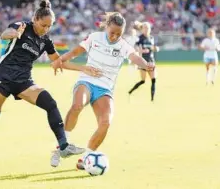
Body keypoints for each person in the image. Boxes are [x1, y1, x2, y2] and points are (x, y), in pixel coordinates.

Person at [0, 0, 100, 160]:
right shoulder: (22, 26)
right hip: (4, 77)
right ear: (35, 20)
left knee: (50, 104)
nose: (46, 29)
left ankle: (64, 146)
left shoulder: (45, 41)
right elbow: (4, 34)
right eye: (43, 25)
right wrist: (15, 34)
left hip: (23, 81)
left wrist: (83, 68)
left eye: (49, 26)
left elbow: (58, 62)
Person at [50, 12, 154, 168]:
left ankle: (86, 158)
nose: (114, 37)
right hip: (87, 81)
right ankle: (62, 146)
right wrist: (59, 61)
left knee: (105, 122)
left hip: (105, 88)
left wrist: (146, 65)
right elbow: (74, 53)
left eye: (118, 34)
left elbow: (134, 57)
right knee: (77, 105)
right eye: (112, 33)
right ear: (106, 27)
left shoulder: (123, 45)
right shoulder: (94, 37)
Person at [128, 21, 159, 101]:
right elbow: (136, 47)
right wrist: (140, 50)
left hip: (151, 61)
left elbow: (154, 48)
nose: (146, 29)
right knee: (143, 81)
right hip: (142, 62)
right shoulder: (140, 38)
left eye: (148, 28)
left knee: (153, 79)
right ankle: (130, 91)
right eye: (145, 28)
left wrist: (156, 48)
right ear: (142, 29)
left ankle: (152, 99)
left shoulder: (151, 38)